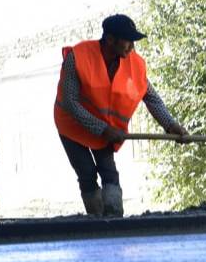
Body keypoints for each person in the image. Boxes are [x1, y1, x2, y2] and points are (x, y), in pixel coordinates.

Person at [53, 14, 189, 218]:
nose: (131, 46)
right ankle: (96, 221)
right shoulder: (78, 57)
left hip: (105, 130)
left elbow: (151, 98)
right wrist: (103, 129)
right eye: (128, 40)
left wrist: (170, 125)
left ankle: (114, 219)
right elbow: (71, 103)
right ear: (109, 39)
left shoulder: (134, 64)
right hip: (72, 125)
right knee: (87, 174)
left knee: (109, 173)